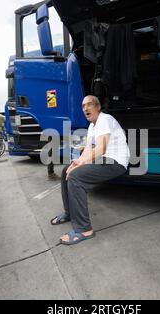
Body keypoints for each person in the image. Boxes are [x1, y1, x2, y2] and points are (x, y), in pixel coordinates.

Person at [50, 95, 130, 245]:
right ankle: (70, 213)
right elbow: (88, 149)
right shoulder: (92, 126)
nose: (85, 108)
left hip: (116, 162)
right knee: (66, 171)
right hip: (103, 160)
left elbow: (101, 148)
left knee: (75, 178)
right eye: (83, 106)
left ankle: (84, 229)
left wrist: (81, 163)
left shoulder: (104, 119)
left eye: (89, 104)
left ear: (98, 107)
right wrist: (77, 163)